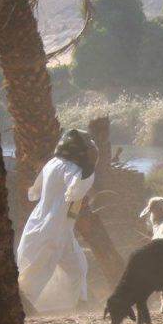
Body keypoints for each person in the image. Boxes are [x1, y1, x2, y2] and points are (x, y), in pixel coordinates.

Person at [17, 130, 98, 313]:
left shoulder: (52, 164)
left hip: (53, 228)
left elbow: (34, 192)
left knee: (77, 267)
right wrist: (87, 173)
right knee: (34, 275)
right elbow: (75, 190)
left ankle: (79, 304)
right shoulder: (71, 168)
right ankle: (21, 308)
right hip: (52, 231)